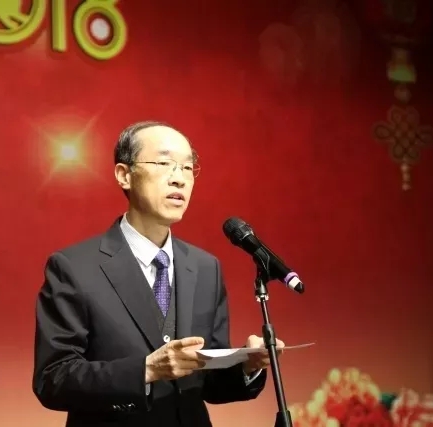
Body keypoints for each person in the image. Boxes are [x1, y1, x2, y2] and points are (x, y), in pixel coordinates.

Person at [32, 121, 285, 427]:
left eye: (188, 168)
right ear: (124, 175)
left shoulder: (205, 267)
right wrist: (146, 370)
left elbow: (208, 383)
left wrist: (247, 365)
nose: (179, 178)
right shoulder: (74, 267)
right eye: (164, 164)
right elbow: (53, 379)